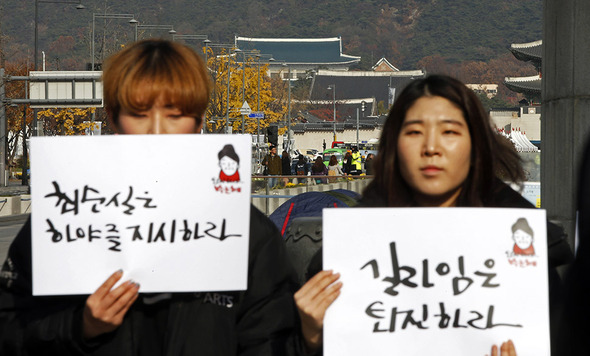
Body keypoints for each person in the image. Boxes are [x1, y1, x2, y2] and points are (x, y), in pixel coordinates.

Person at [0, 40, 300, 356]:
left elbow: (270, 338)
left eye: (175, 114)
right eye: (139, 113)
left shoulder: (246, 235)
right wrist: (79, 327)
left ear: (198, 122)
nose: (157, 131)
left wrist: (308, 338)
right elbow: (9, 327)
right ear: (113, 119)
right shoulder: (63, 222)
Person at [294, 75, 572, 354]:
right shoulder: (347, 254)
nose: (431, 148)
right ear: (394, 144)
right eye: (414, 132)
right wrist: (311, 337)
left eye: (449, 132)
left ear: (476, 145)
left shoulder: (534, 257)